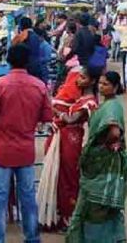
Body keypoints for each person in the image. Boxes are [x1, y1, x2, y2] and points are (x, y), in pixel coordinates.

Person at [0, 43, 53, 243]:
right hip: (25, 149)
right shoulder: (39, 86)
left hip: (2, 148)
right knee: (28, 198)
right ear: (28, 61)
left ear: (8, 60)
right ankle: (32, 237)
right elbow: (47, 116)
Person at [66, 72, 127, 242]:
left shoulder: (112, 107)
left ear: (115, 87)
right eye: (100, 83)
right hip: (101, 164)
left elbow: (114, 131)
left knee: (96, 210)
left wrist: (102, 147)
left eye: (106, 84)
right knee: (102, 210)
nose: (101, 87)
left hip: (104, 164)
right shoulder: (107, 104)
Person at [38, 66, 99, 230]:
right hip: (67, 139)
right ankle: (59, 215)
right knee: (61, 178)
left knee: (69, 178)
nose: (78, 80)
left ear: (92, 81)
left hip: (73, 140)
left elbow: (72, 119)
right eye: (79, 77)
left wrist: (56, 111)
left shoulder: (89, 101)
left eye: (83, 78)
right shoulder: (82, 99)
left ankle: (68, 217)